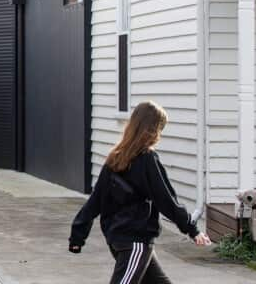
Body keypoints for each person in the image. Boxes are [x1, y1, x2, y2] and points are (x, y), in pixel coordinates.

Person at [68, 100, 211, 284]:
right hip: (134, 242)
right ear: (152, 129)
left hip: (120, 240)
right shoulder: (146, 159)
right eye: (160, 128)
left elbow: (94, 201)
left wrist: (77, 235)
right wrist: (192, 230)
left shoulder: (116, 157)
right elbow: (166, 200)